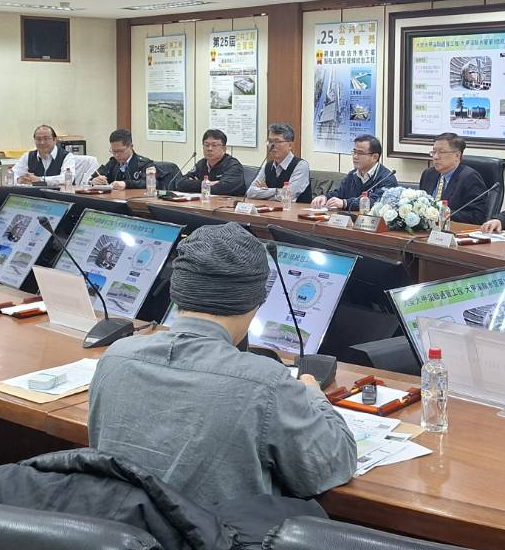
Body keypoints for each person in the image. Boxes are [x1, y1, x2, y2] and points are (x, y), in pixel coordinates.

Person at [88, 223, 356, 505]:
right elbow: (333, 463)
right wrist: (312, 393)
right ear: (256, 300)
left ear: (177, 291)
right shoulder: (264, 382)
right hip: (217, 534)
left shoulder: (115, 358)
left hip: (123, 527)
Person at [417, 132, 489, 225]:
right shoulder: (428, 174)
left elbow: (478, 216)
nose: (435, 157)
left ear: (457, 156)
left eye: (441, 152)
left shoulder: (469, 178)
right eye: (434, 152)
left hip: (453, 230)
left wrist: (443, 214)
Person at [312, 134, 397, 211]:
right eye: (354, 152)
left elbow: (376, 202)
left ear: (374, 157)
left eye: (360, 153)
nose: (355, 157)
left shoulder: (387, 179)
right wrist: (325, 197)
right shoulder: (352, 174)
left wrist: (345, 203)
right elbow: (340, 193)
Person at [246, 122, 312, 203]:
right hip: (270, 209)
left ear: (290, 145)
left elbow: (288, 197)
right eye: (270, 141)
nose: (272, 146)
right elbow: (250, 192)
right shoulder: (268, 166)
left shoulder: (301, 166)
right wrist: (276, 191)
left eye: (277, 141)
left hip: (295, 210)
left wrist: (264, 192)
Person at [172, 128, 246, 195]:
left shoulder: (233, 165)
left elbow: (223, 188)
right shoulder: (202, 163)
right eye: (206, 145)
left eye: (214, 145)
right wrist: (207, 183)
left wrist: (195, 184)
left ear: (224, 148)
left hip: (227, 204)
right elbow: (180, 183)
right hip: (203, 202)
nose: (209, 149)